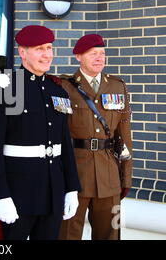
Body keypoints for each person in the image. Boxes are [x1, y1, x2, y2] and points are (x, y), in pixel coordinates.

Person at [0, 25, 81, 240]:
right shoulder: (4, 88)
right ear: (22, 52)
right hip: (18, 192)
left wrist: (72, 187)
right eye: (39, 49)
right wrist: (0, 195)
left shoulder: (58, 90)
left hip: (53, 190)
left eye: (49, 48)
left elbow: (64, 142)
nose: (47, 55)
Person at [58, 34, 133, 240]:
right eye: (93, 54)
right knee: (67, 235)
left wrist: (126, 177)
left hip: (109, 174)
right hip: (74, 174)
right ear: (78, 57)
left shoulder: (118, 86)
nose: (100, 58)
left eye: (102, 53)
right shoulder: (63, 86)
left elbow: (124, 136)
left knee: (110, 234)